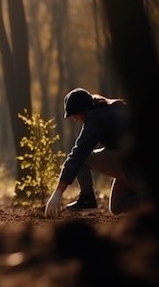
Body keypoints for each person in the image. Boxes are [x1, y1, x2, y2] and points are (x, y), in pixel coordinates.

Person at [45, 87, 149, 217]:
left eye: (74, 115)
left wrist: (58, 193)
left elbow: (78, 154)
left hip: (137, 162)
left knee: (82, 159)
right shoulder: (111, 109)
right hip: (139, 161)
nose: (75, 119)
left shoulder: (96, 119)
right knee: (117, 206)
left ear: (82, 110)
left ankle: (87, 198)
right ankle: (148, 196)